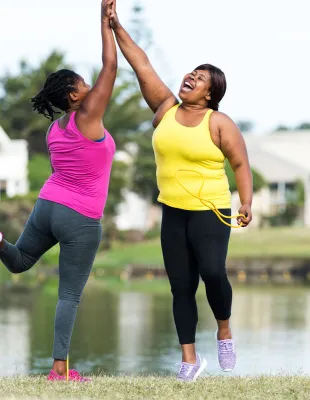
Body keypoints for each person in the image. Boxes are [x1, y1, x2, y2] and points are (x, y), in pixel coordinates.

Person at [0, 0, 117, 382]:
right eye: (83, 82)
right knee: (69, 296)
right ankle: (59, 371)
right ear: (76, 95)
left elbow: (59, 170)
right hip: (80, 217)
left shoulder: (56, 129)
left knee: (19, 261)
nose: (90, 84)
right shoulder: (88, 116)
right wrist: (106, 21)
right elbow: (111, 66)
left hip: (48, 204)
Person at [108, 2, 253, 382]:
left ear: (210, 94)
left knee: (212, 273)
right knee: (180, 286)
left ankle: (223, 329)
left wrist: (247, 202)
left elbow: (240, 164)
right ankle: (189, 360)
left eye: (201, 77)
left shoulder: (218, 122)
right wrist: (116, 26)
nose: (191, 76)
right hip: (173, 210)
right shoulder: (164, 110)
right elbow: (141, 64)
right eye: (192, 71)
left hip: (211, 210)